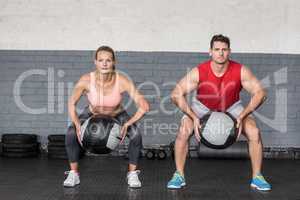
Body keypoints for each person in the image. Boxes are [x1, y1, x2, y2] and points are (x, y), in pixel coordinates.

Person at [167, 34, 271, 191]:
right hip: (202, 107)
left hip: (231, 107)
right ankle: (179, 175)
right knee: (183, 131)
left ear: (229, 51)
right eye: (217, 49)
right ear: (210, 51)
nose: (220, 53)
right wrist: (194, 117)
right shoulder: (199, 71)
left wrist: (243, 115)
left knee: (254, 131)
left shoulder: (240, 70)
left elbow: (260, 93)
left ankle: (257, 177)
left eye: (224, 49)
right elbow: (175, 94)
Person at [63, 46, 150, 188]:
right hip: (92, 113)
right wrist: (77, 123)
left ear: (113, 62)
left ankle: (132, 174)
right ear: (95, 62)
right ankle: (74, 174)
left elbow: (144, 106)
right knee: (71, 133)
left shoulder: (121, 80)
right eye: (101, 60)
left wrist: (128, 124)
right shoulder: (86, 80)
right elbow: (71, 103)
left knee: (136, 135)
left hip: (117, 114)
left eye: (108, 60)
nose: (104, 63)